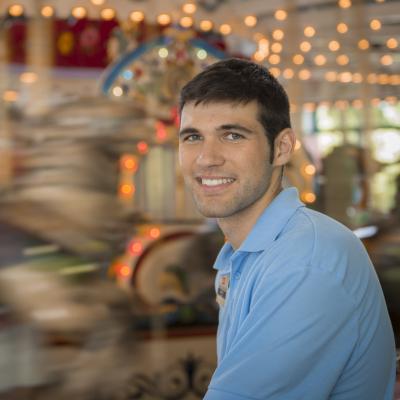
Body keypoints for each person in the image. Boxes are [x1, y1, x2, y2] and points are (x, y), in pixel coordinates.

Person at [177, 58, 396, 400]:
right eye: (192, 137)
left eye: (232, 135)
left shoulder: (305, 260)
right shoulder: (244, 253)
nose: (206, 158)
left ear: (281, 148)